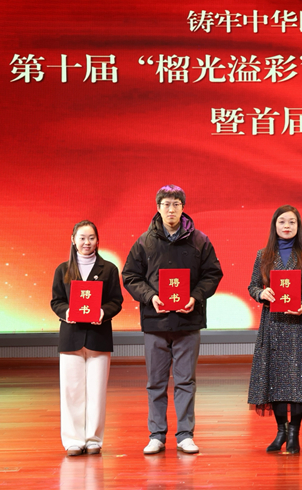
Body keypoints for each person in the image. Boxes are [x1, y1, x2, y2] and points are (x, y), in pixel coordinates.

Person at [122, 185, 223, 455]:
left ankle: (185, 434)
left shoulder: (199, 240)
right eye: (166, 204)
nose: (171, 209)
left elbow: (213, 274)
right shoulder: (144, 241)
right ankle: (156, 435)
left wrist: (195, 296)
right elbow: (130, 276)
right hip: (155, 321)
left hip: (188, 321)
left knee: (185, 381)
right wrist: (150, 296)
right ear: (158, 208)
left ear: (183, 208)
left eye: (176, 204)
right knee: (155, 382)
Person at [247, 205, 302, 454]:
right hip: (273, 324)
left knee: (299, 380)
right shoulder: (263, 255)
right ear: (275, 225)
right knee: (275, 379)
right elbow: (252, 286)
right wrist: (261, 293)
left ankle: (294, 434)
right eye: (282, 221)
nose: (287, 226)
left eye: (292, 222)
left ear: (298, 226)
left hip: (299, 324)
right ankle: (280, 430)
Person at [50, 220, 124, 456]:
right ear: (73, 240)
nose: (86, 242)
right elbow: (56, 301)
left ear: (97, 241)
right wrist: (67, 312)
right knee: (71, 391)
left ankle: (93, 439)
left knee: (97, 390)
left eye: (91, 238)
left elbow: (116, 301)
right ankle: (73, 440)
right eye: (82, 238)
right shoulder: (63, 270)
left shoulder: (109, 269)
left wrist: (102, 312)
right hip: (71, 337)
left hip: (98, 336)